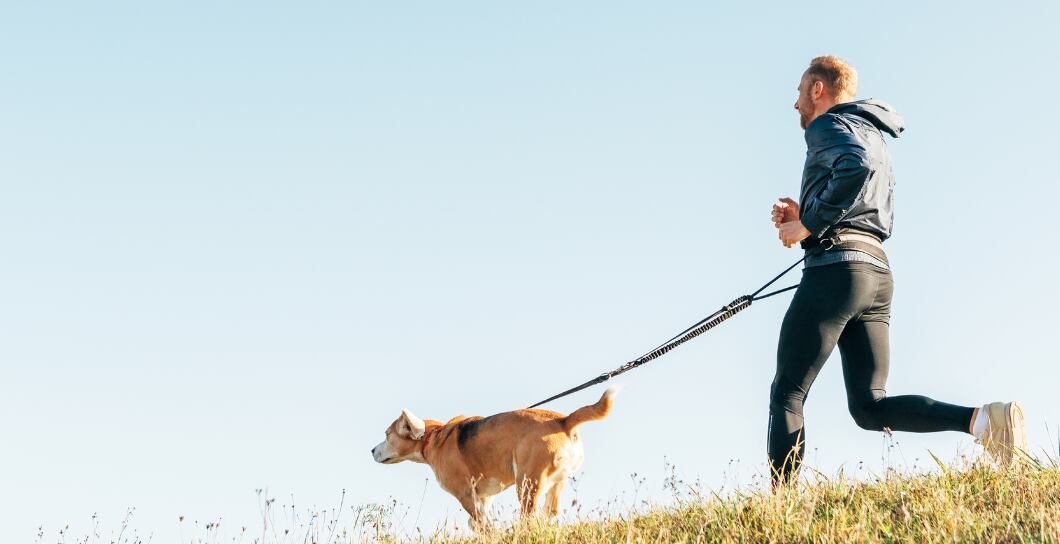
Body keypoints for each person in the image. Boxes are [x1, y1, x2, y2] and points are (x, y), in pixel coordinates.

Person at [767, 55, 1026, 488]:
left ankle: (779, 506)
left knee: (787, 393)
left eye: (799, 91)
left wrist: (807, 224)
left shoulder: (827, 125)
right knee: (870, 407)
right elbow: (862, 196)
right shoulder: (868, 131)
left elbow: (855, 169)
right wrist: (805, 215)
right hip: (875, 274)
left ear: (817, 89)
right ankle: (984, 422)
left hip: (837, 271)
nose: (795, 104)